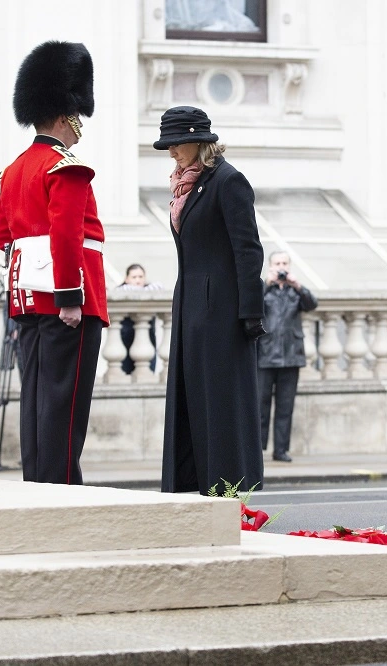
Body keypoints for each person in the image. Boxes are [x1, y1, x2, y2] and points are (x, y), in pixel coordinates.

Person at [0, 41, 108, 485]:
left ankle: (37, 483)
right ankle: (61, 488)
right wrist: (69, 297)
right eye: (77, 118)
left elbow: (4, 236)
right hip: (67, 300)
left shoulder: (15, 168)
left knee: (37, 397)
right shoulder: (66, 166)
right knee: (66, 400)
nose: (80, 128)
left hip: (26, 298)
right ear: (64, 114)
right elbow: (66, 235)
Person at [154, 106, 266, 495]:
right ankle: (194, 484)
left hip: (222, 311)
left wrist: (251, 311)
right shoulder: (184, 184)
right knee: (191, 399)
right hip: (189, 308)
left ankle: (227, 490)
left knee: (221, 402)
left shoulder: (228, 181)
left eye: (175, 144)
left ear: (198, 142)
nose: (171, 152)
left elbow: (248, 250)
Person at [258, 251, 318, 463]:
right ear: (270, 266)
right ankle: (257, 449)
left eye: (284, 263)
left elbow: (312, 304)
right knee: (260, 405)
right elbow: (251, 305)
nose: (281, 266)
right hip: (265, 355)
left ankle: (281, 450)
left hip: (291, 356)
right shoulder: (264, 289)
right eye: (277, 263)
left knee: (286, 406)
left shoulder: (295, 291)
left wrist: (298, 285)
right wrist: (267, 283)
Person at [114, 264, 164, 374]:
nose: (138, 280)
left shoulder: (151, 288)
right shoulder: (121, 290)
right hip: (125, 339)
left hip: (147, 339)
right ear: (127, 279)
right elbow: (122, 289)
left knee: (148, 371)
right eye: (134, 277)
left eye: (140, 277)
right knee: (126, 372)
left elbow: (160, 286)